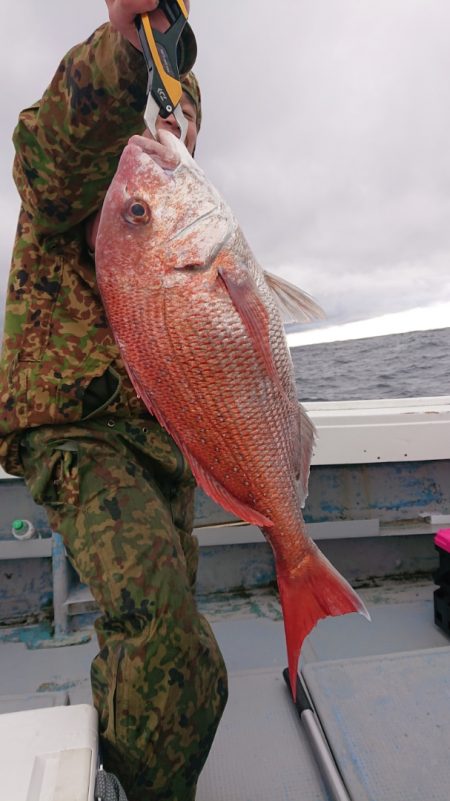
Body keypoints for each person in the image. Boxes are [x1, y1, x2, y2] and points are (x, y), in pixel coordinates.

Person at [0, 3, 228, 799]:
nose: (172, 126)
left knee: (180, 628)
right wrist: (131, 45)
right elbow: (47, 166)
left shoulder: (172, 196)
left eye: (182, 110)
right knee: (158, 618)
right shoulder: (78, 138)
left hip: (152, 420)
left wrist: (182, 115)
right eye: (165, 100)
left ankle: (153, 768)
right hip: (68, 418)